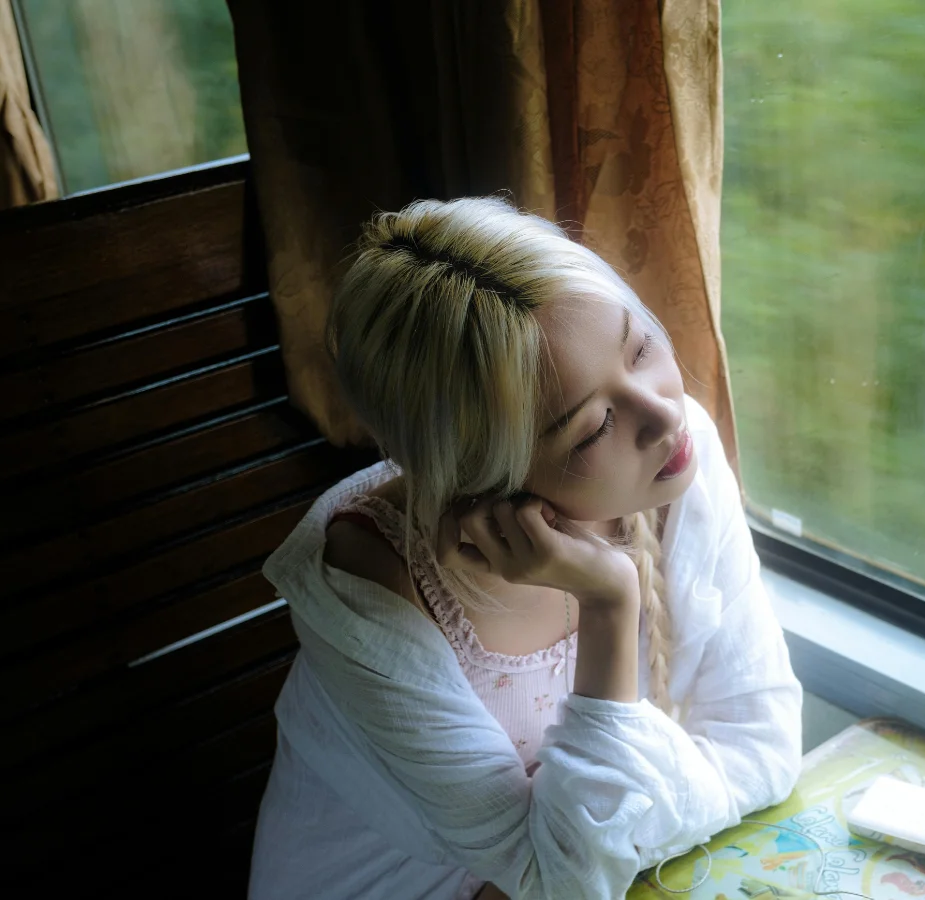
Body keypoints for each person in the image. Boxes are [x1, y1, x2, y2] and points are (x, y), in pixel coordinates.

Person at [248, 197, 804, 899]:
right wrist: (609, 602)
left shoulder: (670, 455)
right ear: (486, 481)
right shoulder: (371, 589)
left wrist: (601, 838)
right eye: (593, 427)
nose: (663, 411)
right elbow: (564, 882)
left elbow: (762, 746)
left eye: (639, 348)